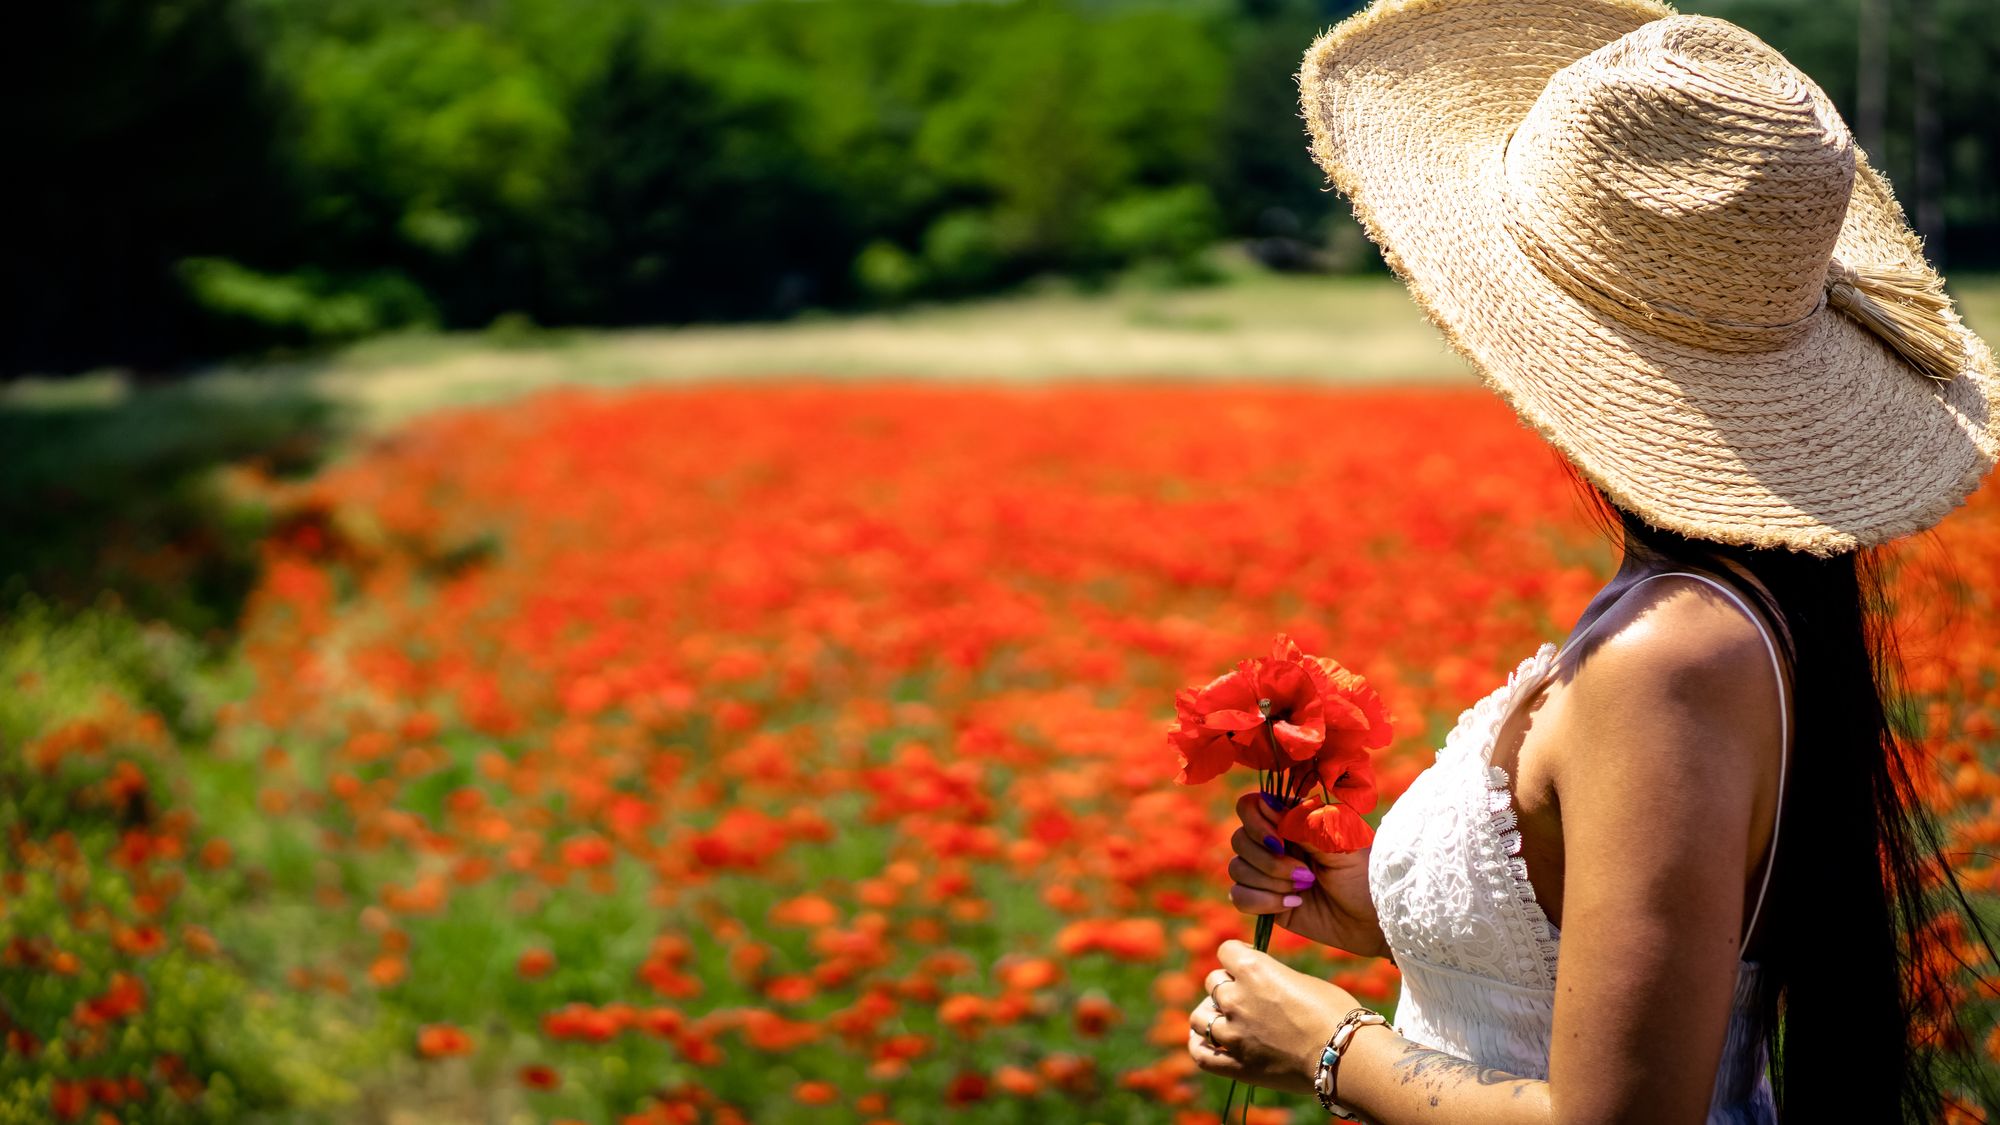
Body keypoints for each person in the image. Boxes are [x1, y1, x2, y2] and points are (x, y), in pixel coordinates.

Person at [1184, 0, 2000, 1121]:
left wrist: (1327, 1047)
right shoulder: (1719, 611)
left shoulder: (1670, 655)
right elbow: (1607, 955)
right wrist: (1384, 911)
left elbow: (1618, 1116)